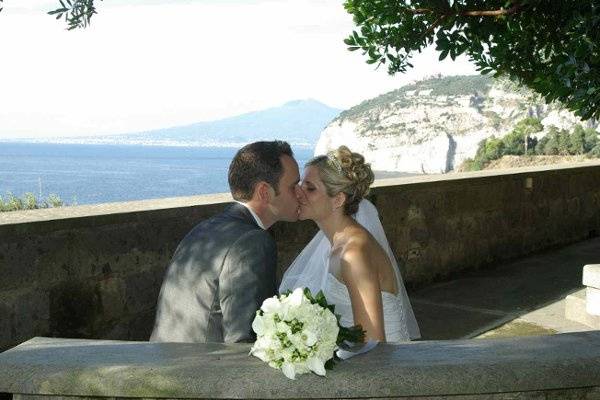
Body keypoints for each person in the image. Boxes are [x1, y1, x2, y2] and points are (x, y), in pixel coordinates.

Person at [150, 141, 300, 343]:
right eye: (293, 186)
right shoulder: (253, 242)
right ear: (264, 192)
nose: (300, 193)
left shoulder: (204, 228)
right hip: (205, 369)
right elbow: (244, 338)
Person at [279, 146, 420, 342]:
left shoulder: (353, 254)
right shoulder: (336, 243)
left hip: (379, 365)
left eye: (310, 188)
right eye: (301, 185)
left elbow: (372, 341)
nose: (298, 193)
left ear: (337, 199)